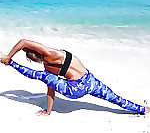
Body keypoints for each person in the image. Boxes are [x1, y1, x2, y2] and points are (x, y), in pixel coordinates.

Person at [0, 39, 150, 115]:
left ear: (38, 57)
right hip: (91, 82)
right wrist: (48, 111)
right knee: (115, 98)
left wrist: (8, 57)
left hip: (75, 90)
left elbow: (23, 41)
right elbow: (50, 90)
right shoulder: (56, 54)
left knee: (41, 76)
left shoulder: (50, 56)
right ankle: (142, 109)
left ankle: (10, 63)